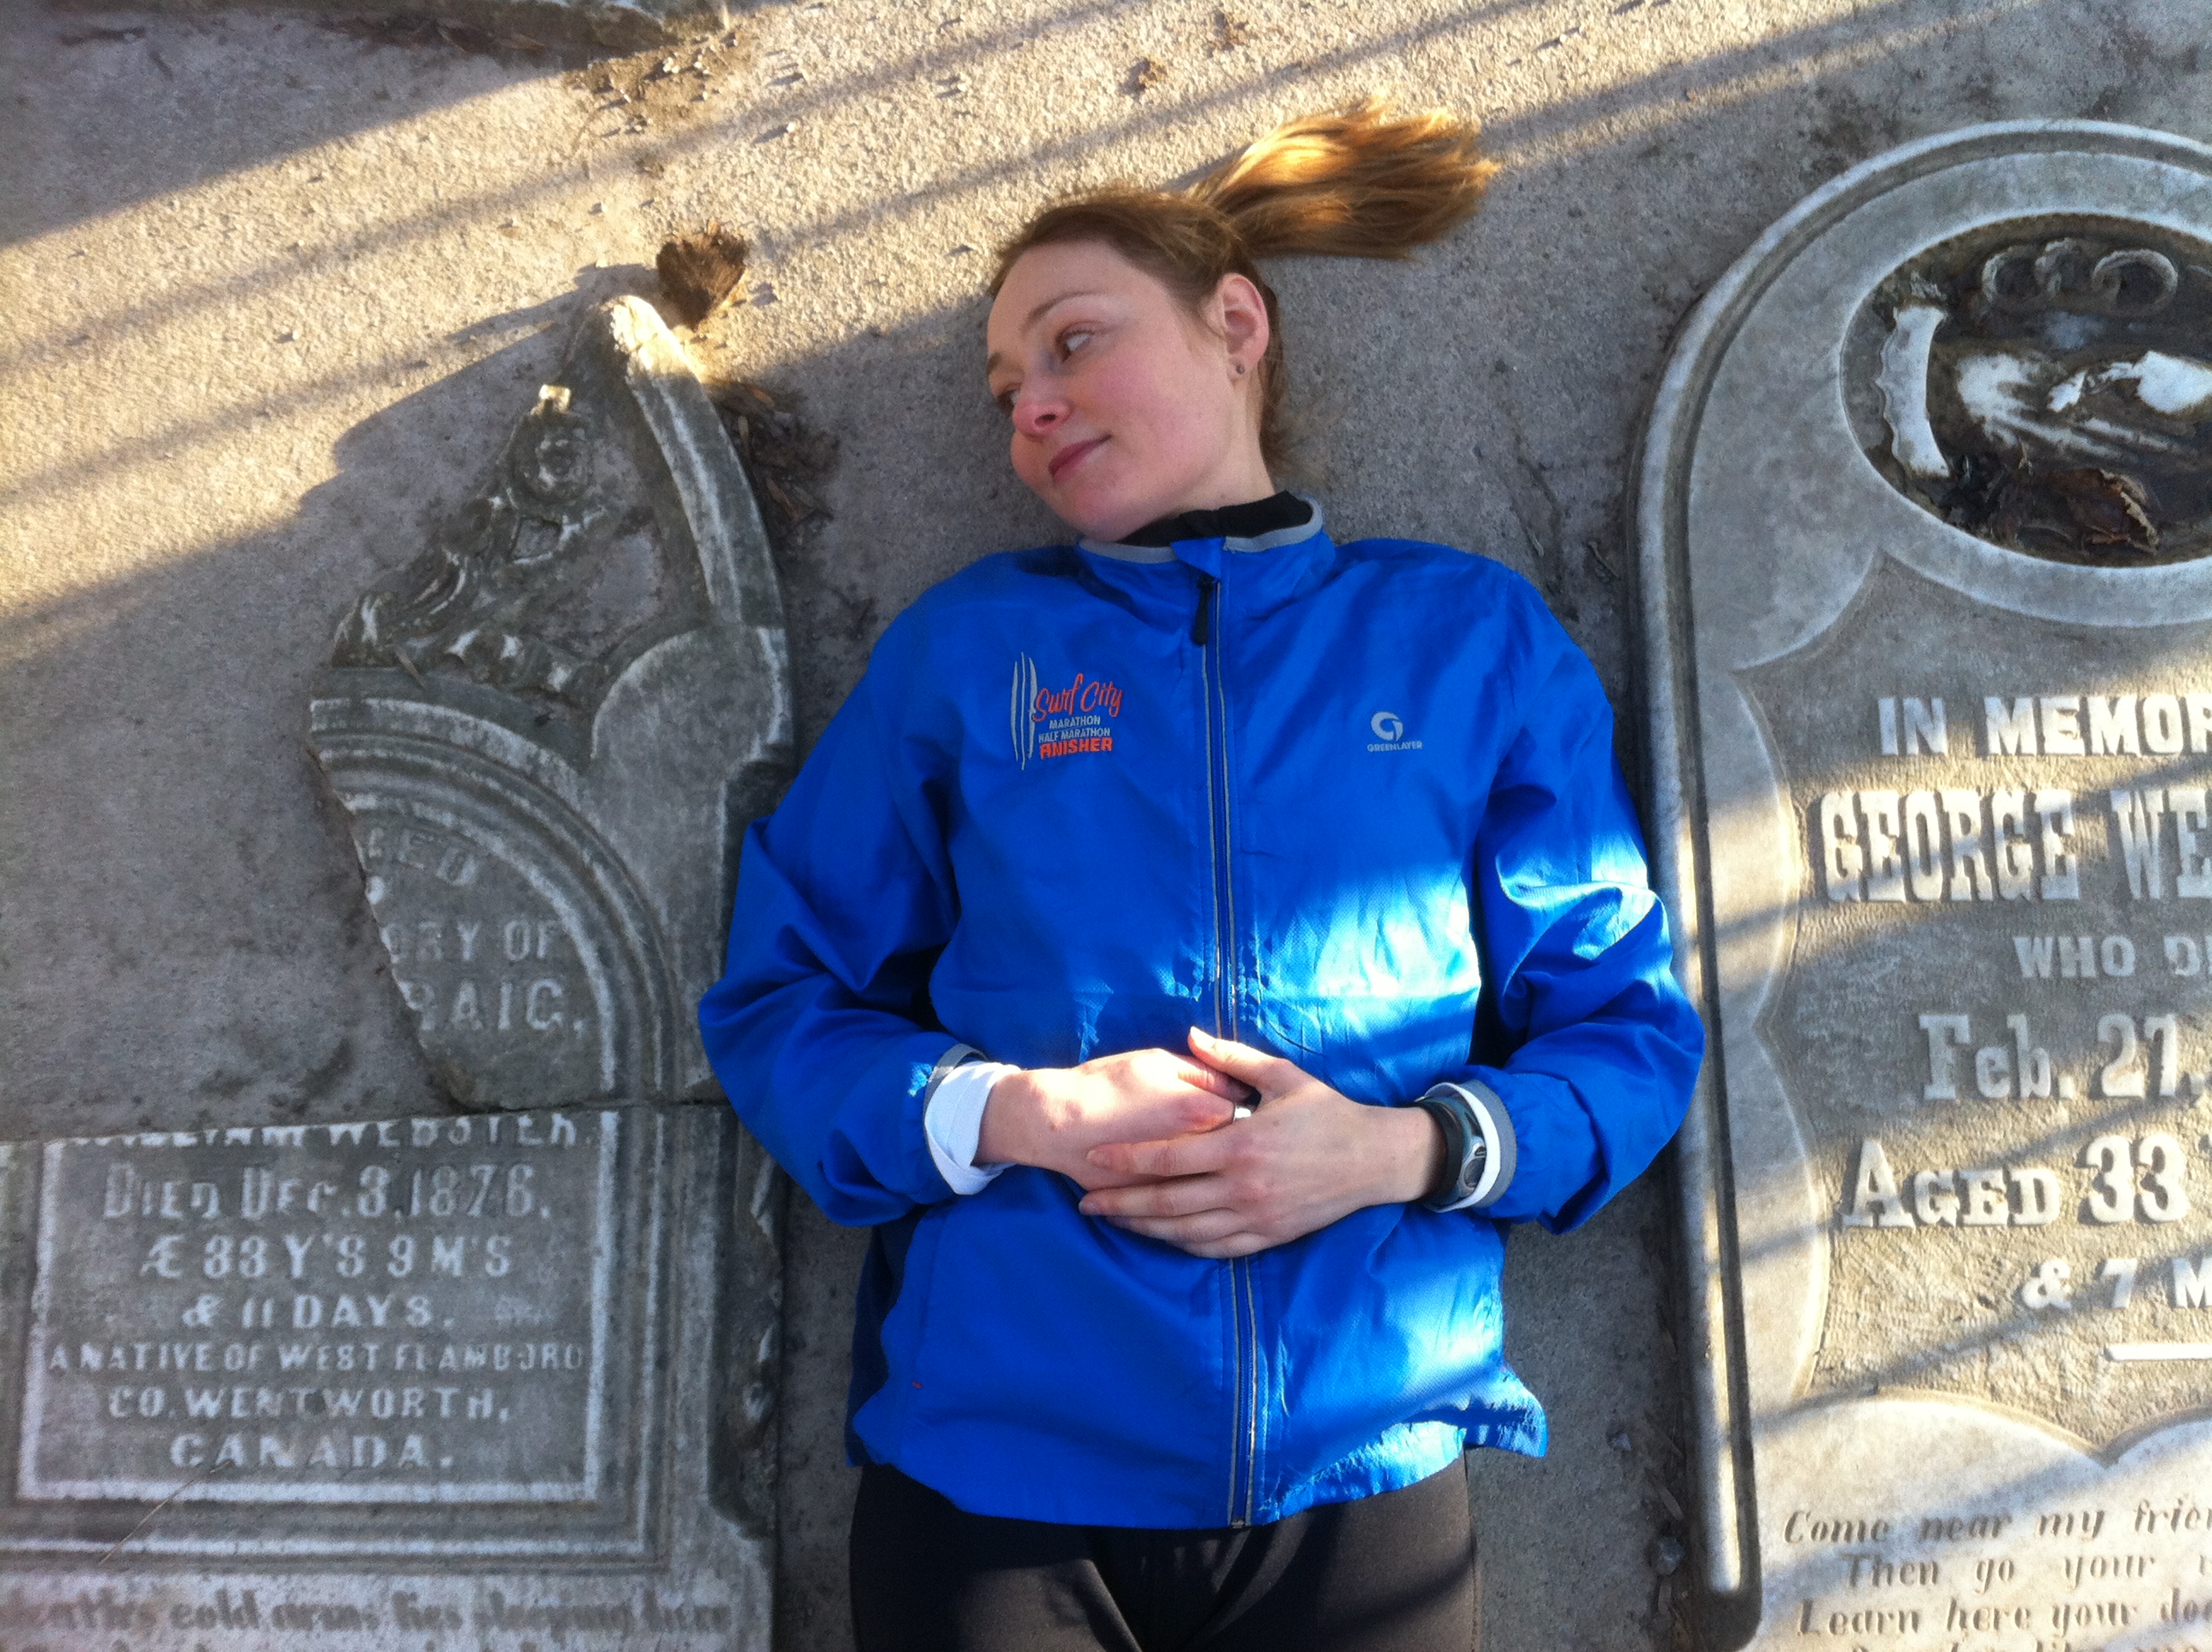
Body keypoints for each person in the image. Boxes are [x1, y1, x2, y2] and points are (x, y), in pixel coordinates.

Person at [699, 100, 1703, 1652]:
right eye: (1006, 390)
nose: (1033, 405)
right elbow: (780, 1001)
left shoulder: (1465, 638)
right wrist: (1012, 1112)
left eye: (1072, 342)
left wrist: (1396, 1151)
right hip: (996, 1481)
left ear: (1235, 324)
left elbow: (1628, 1032)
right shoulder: (968, 651)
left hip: (1360, 1479)